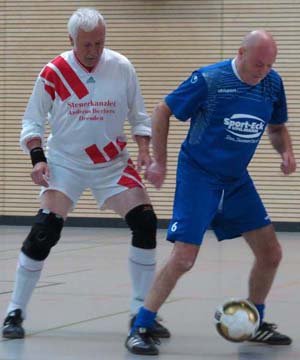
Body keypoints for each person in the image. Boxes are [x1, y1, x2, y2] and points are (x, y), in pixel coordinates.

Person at [2, 7, 170, 340]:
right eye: (86, 45)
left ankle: (141, 311)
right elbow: (32, 122)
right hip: (66, 162)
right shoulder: (54, 72)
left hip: (111, 163)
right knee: (44, 232)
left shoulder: (121, 67)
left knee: (145, 222)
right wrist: (38, 159)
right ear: (71, 41)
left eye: (99, 43)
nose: (93, 52)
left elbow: (139, 117)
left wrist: (144, 153)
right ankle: (14, 311)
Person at [125, 30, 297, 355]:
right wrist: (158, 162)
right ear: (241, 52)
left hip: (235, 180)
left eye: (269, 64)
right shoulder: (210, 80)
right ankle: (141, 326)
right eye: (258, 63)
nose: (263, 71)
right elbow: (163, 110)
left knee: (271, 253)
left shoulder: (272, 83)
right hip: (199, 176)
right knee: (184, 258)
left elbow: (276, 128)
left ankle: (255, 322)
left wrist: (285, 152)